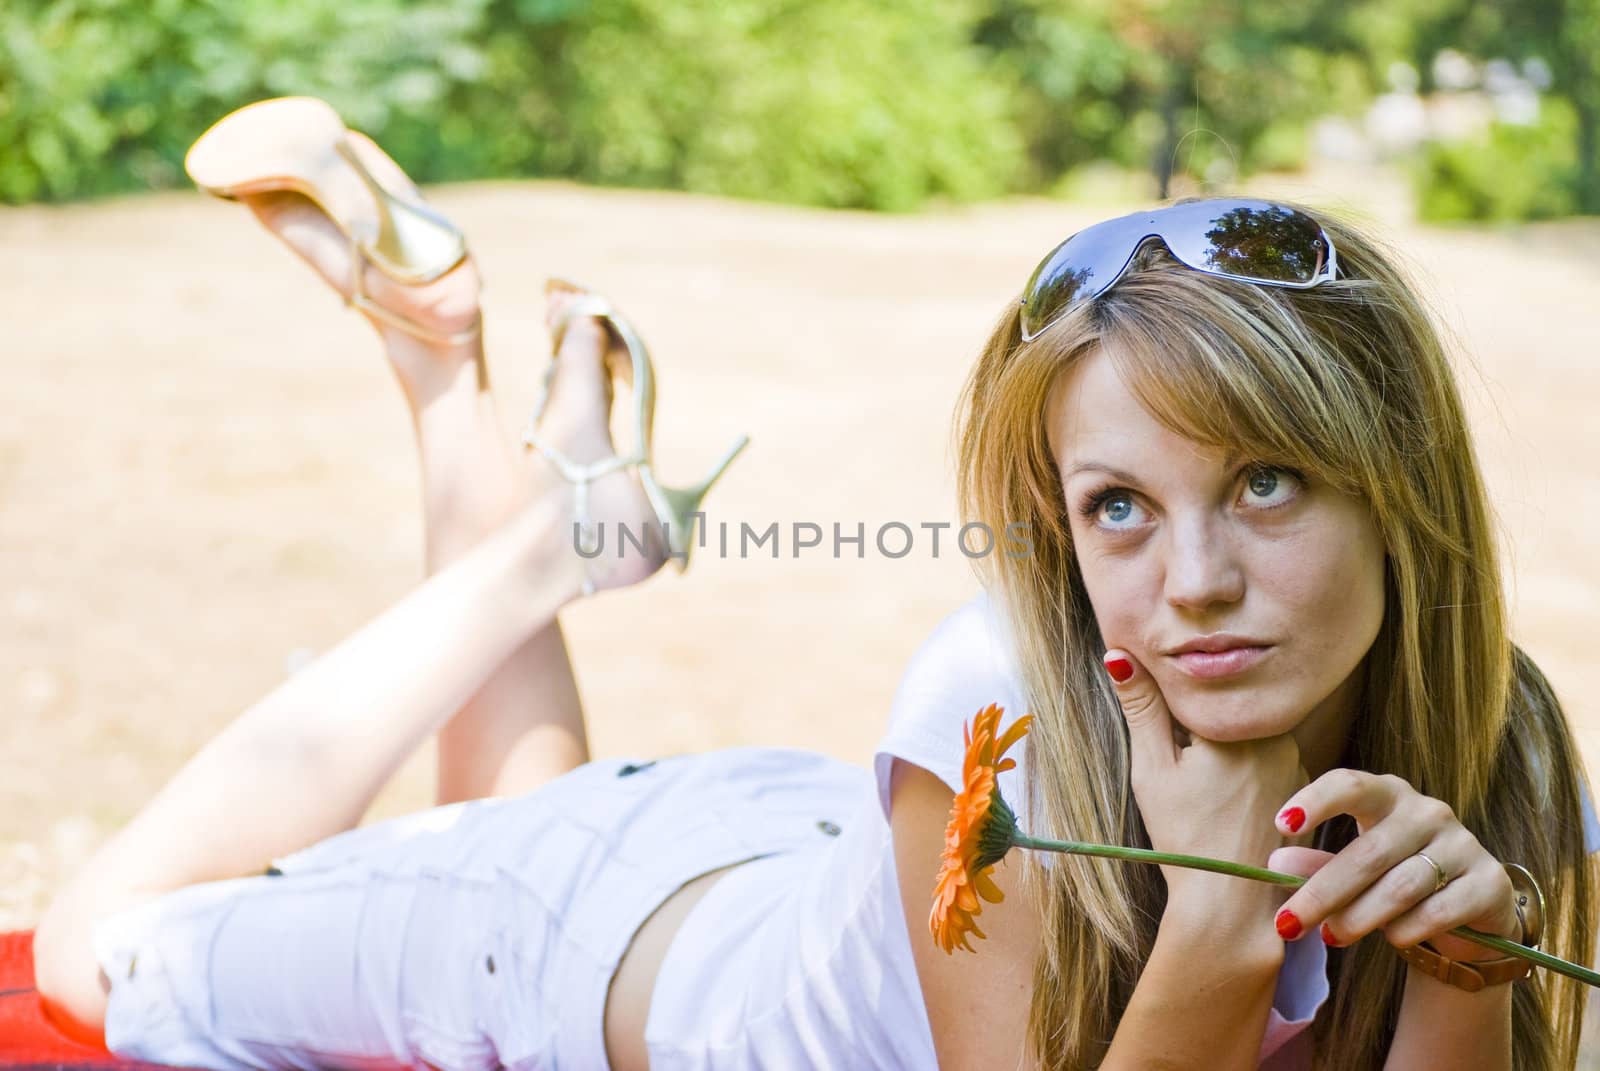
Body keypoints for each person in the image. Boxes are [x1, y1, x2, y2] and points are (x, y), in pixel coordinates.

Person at [27, 98, 1600, 1071]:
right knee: (102, 952)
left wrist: (1457, 972)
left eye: (1267, 483)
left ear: (1400, 492)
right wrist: (1214, 933)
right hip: (576, 936)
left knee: (528, 793)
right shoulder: (1006, 715)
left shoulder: (1507, 756)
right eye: (1119, 506)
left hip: (796, 864)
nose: (1191, 583)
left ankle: (452, 372)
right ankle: (547, 552)